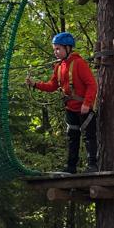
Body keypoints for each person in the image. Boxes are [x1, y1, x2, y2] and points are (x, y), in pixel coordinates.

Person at [27, 31, 98, 174]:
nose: (55, 52)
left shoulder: (79, 63)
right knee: (72, 137)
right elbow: (52, 85)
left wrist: (87, 103)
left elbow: (92, 84)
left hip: (84, 108)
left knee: (89, 137)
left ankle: (93, 165)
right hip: (70, 108)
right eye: (54, 49)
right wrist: (35, 84)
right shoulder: (59, 67)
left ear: (68, 48)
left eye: (58, 49)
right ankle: (71, 167)